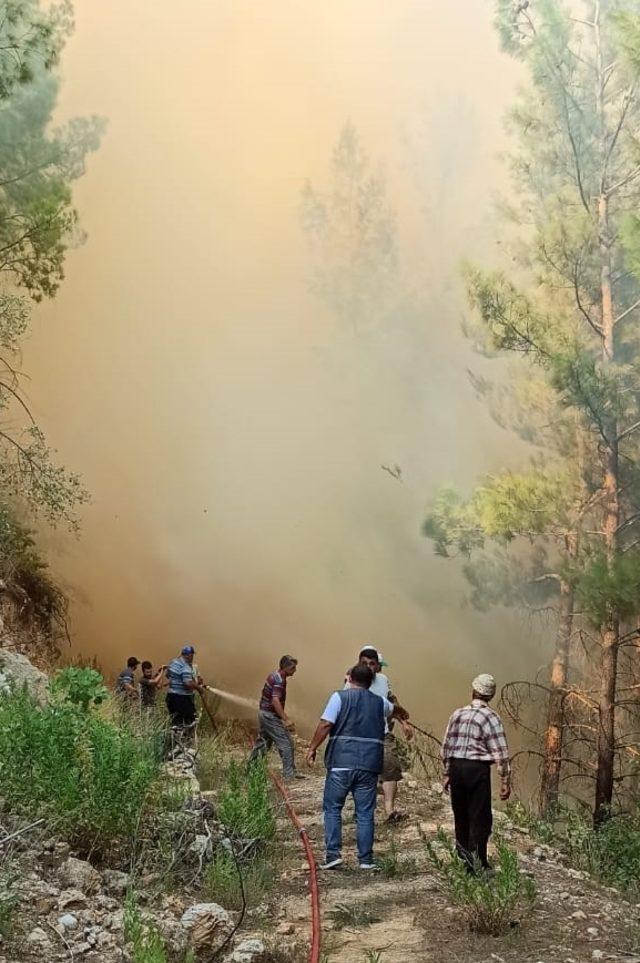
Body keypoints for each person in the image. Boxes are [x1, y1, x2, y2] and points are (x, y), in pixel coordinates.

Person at [307, 663, 398, 870]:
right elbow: (394, 709)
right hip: (369, 765)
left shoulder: (339, 697)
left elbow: (325, 724)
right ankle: (365, 860)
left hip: (341, 763)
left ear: (349, 679)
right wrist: (404, 717)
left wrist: (313, 747)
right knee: (365, 812)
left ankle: (333, 855)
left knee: (333, 808)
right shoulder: (380, 702)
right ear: (371, 682)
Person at [441, 673, 511, 873]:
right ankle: (478, 862)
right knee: (480, 816)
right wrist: (505, 779)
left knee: (461, 814)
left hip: (457, 768)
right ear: (490, 696)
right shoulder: (491, 717)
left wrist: (446, 773)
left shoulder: (458, 714)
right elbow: (501, 751)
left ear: (473, 690)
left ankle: (464, 859)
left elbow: (447, 746)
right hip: (477, 770)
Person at [351, 645, 412, 823]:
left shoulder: (383, 680)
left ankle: (389, 811)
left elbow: (392, 701)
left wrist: (404, 723)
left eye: (372, 663)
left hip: (383, 733)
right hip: (360, 735)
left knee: (390, 768)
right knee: (361, 773)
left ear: (377, 665)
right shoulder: (353, 679)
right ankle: (359, 810)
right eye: (365, 663)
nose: (369, 667)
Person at [249, 656, 301, 781]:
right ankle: (289, 775)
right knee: (286, 744)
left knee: (263, 744)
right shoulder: (279, 680)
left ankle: (251, 769)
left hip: (265, 714)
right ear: (286, 667)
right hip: (270, 716)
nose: (295, 670)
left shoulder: (275, 675)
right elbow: (275, 700)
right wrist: (286, 719)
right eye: (293, 668)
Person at [165, 644, 204, 728]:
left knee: (175, 721)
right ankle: (186, 739)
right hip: (182, 698)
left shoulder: (173, 662)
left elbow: (167, 675)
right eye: (192, 655)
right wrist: (198, 687)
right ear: (188, 655)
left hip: (171, 696)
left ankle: (174, 738)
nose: (192, 657)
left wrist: (176, 681)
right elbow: (188, 683)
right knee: (190, 722)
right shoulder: (186, 666)